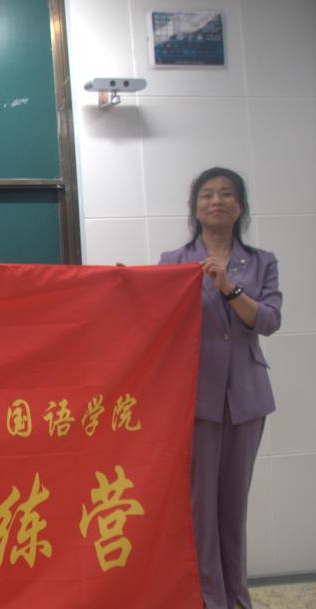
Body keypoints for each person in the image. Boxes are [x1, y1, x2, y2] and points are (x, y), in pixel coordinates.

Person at [159, 167, 281, 609]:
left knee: (233, 507)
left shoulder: (262, 261)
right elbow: (158, 319)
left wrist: (228, 287)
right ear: (195, 208)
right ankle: (210, 599)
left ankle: (238, 598)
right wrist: (127, 288)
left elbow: (268, 320)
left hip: (246, 399)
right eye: (207, 195)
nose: (216, 201)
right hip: (196, 400)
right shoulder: (174, 261)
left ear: (240, 207)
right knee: (200, 509)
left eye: (227, 194)